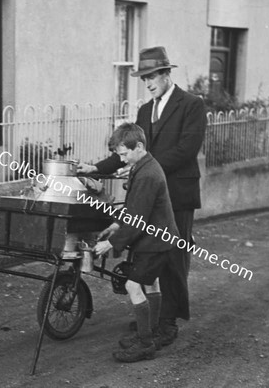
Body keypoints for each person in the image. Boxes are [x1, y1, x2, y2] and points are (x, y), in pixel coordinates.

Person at [80, 46, 207, 346]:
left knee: (173, 259)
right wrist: (96, 168)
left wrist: (147, 169)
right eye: (144, 78)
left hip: (178, 195)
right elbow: (130, 150)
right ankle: (149, 314)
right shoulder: (145, 110)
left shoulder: (192, 105)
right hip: (148, 193)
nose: (148, 83)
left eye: (152, 77)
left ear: (166, 74)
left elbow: (186, 150)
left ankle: (168, 323)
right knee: (146, 254)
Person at [92, 123, 180, 363]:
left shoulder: (148, 174)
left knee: (133, 286)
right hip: (158, 239)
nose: (121, 159)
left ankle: (145, 343)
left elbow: (138, 220)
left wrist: (110, 244)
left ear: (138, 146)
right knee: (151, 285)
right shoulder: (143, 166)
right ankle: (150, 333)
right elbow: (133, 209)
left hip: (155, 241)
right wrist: (114, 225)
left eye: (124, 154)